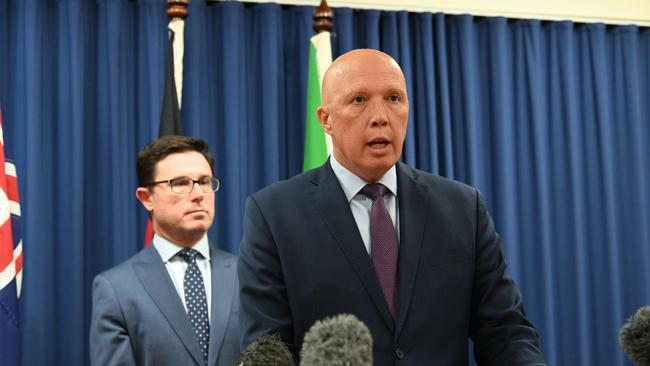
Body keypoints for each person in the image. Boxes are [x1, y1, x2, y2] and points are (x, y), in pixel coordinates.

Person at [238, 49, 546, 365]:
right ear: (326, 119)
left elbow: (506, 332)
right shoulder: (274, 214)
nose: (381, 116)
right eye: (359, 100)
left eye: (394, 98)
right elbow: (268, 347)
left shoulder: (463, 208)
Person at [90, 136, 240, 366]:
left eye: (204, 181)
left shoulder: (247, 275)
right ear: (146, 198)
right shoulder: (116, 290)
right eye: (181, 183)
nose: (199, 194)